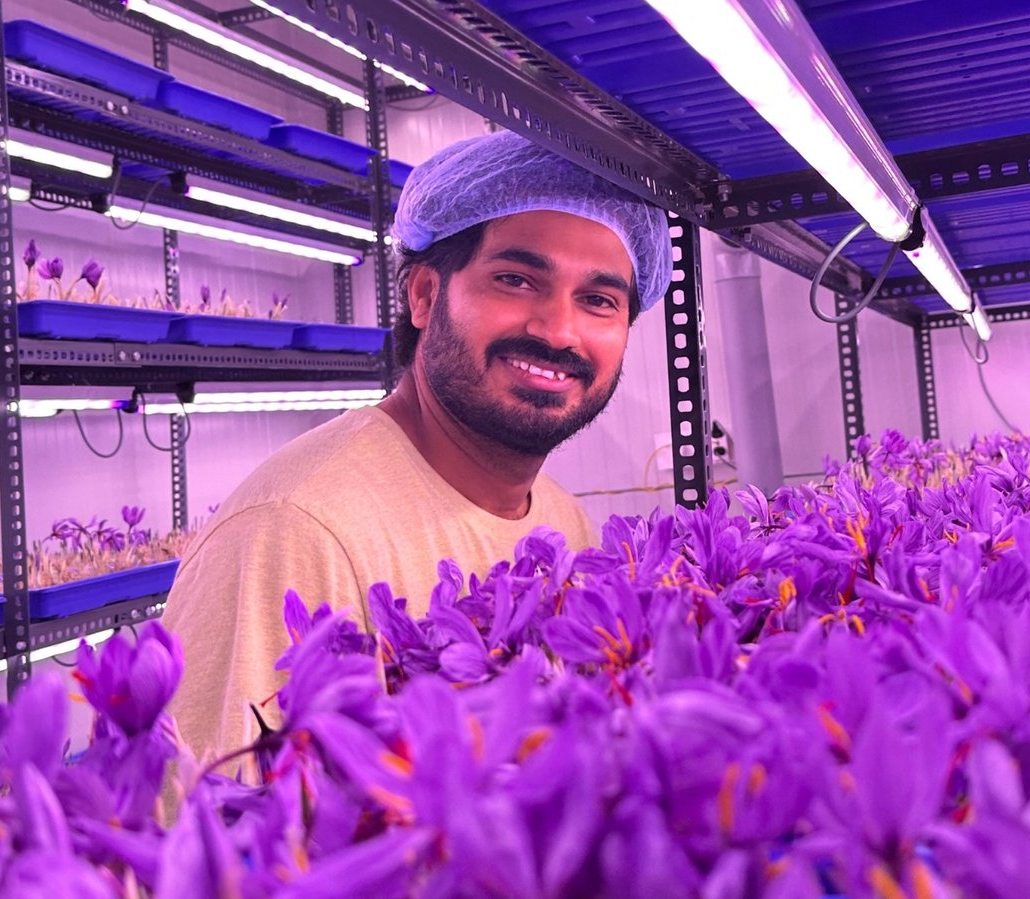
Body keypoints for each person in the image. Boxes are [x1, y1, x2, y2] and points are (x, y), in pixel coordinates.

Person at [162, 130, 672, 761]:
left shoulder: (566, 525)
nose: (559, 331)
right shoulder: (296, 533)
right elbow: (217, 825)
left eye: (598, 301)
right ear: (426, 295)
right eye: (515, 280)